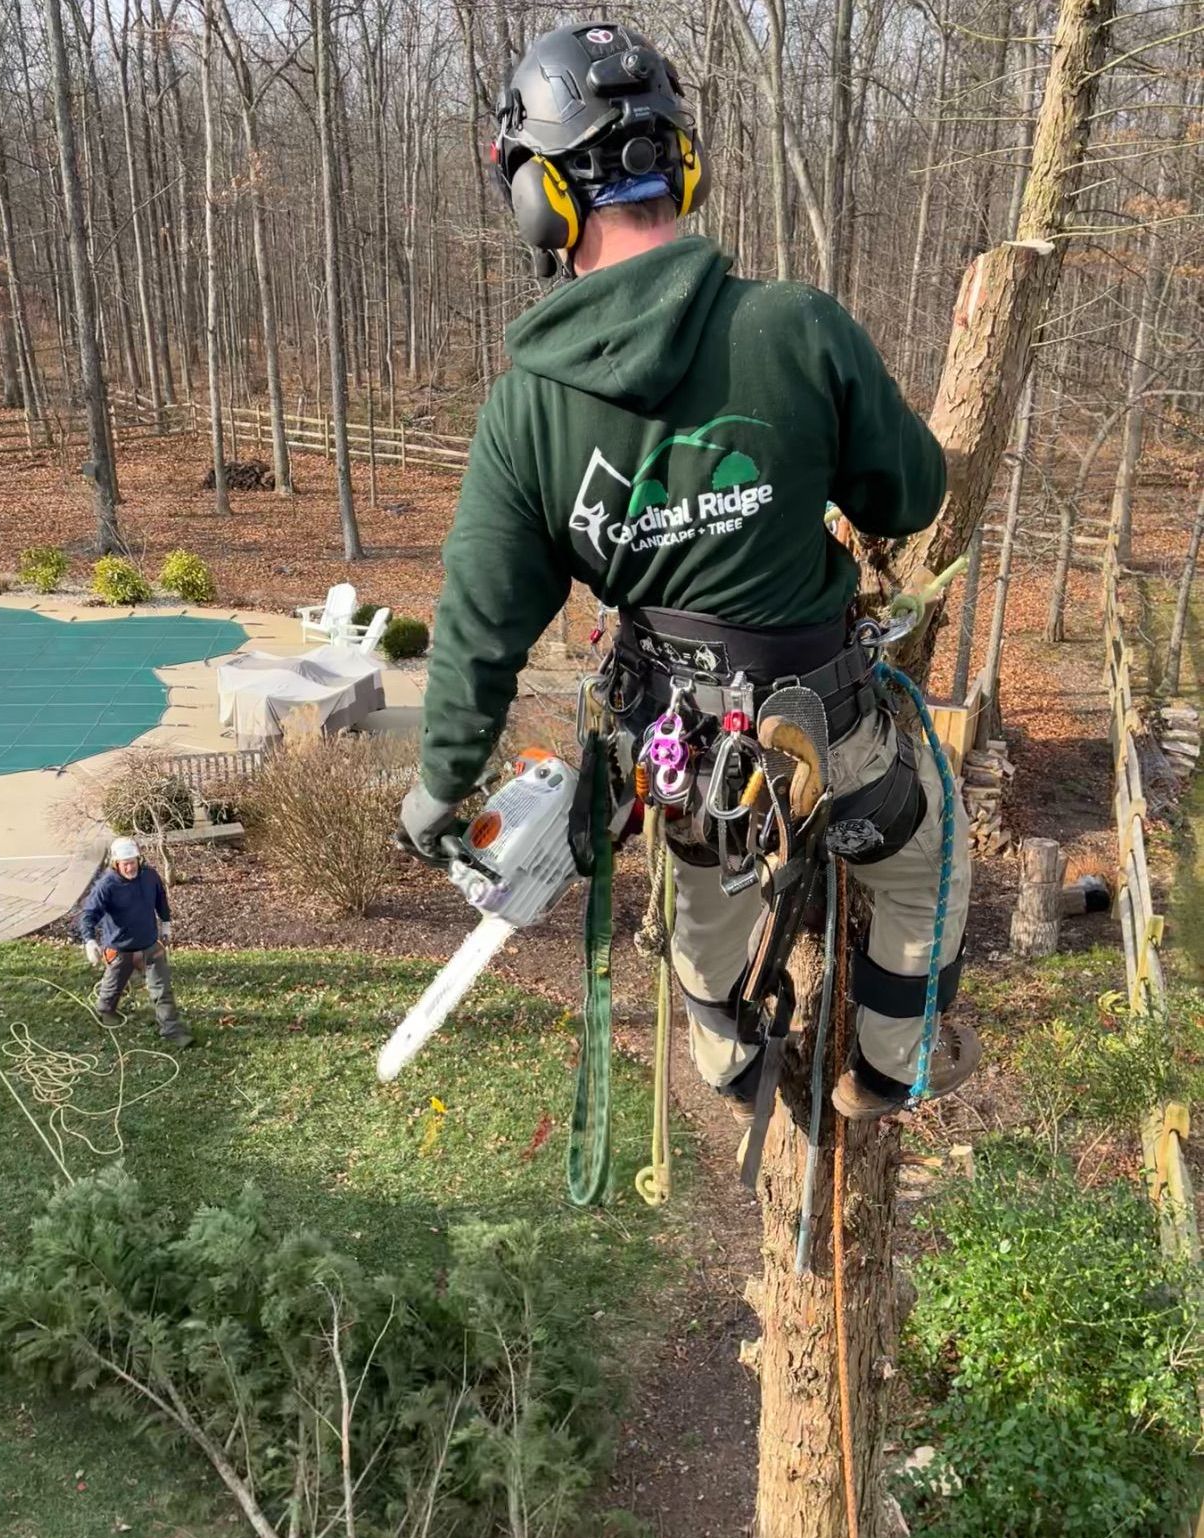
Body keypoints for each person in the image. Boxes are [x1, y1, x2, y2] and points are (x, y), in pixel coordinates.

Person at [398, 21, 978, 1126]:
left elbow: (480, 628)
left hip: (678, 742)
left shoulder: (523, 410)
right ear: (685, 167)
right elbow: (908, 497)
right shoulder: (796, 327)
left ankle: (726, 1057)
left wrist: (439, 785)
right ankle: (887, 1067)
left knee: (703, 893)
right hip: (832, 721)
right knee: (921, 863)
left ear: (541, 200)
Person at [79, 837, 193, 1046]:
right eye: (125, 864)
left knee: (162, 988)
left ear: (139, 860)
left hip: (150, 943)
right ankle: (106, 1010)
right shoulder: (107, 885)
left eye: (133, 862)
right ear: (116, 864)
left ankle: (172, 1031)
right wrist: (89, 940)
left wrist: (166, 923)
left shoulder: (149, 877)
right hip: (120, 948)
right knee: (113, 987)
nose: (130, 867)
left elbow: (161, 900)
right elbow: (89, 914)